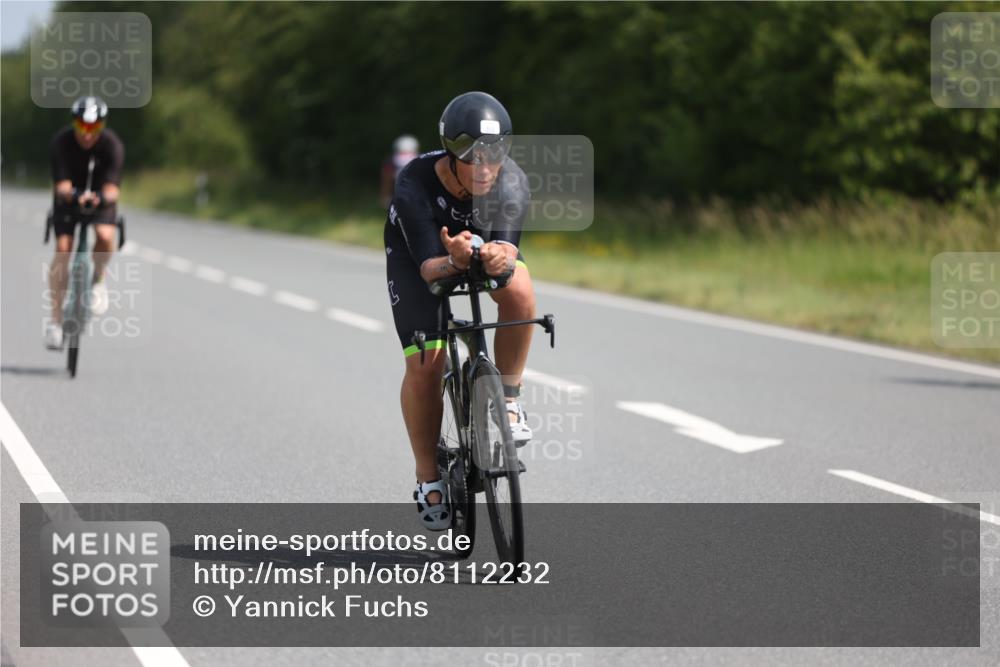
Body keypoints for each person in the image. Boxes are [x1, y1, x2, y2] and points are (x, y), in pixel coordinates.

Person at [384, 91, 536, 530]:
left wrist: (498, 258)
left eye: (495, 154)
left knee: (522, 292)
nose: (486, 167)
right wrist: (453, 259)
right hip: (421, 256)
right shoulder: (414, 183)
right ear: (451, 154)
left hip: (478, 245)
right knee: (426, 363)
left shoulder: (512, 182)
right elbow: (432, 270)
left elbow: (508, 249)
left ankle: (507, 398)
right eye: (473, 157)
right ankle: (427, 476)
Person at [45, 95, 125, 350]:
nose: (87, 134)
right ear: (74, 124)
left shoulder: (113, 145)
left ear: (102, 127)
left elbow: (113, 190)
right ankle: (56, 323)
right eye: (82, 126)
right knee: (63, 249)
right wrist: (75, 195)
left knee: (104, 235)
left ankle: (98, 281)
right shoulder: (61, 142)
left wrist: (100, 198)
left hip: (100, 199)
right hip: (68, 199)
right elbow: (61, 186)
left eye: (94, 128)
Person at [380, 134, 420, 207]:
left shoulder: (391, 160)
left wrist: (385, 196)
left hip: (397, 194)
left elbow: (386, 179)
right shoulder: (421, 159)